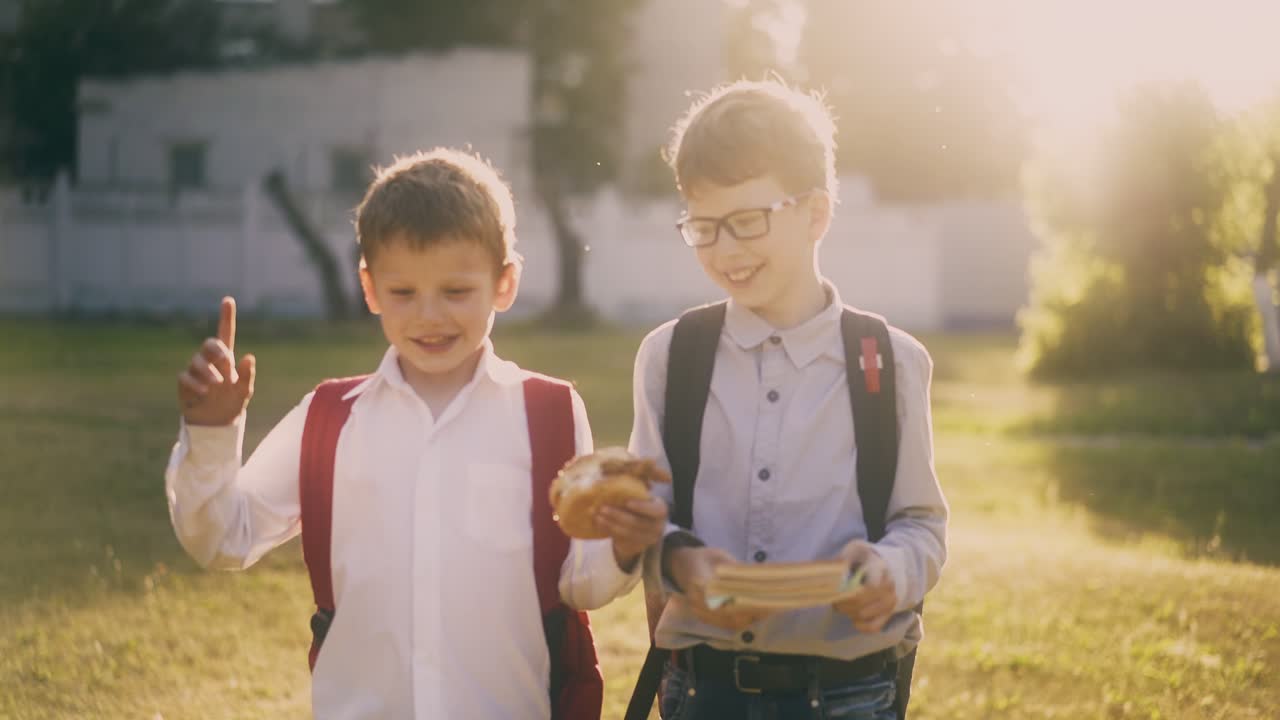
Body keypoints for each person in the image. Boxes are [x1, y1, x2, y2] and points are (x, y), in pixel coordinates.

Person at [165, 148, 668, 719]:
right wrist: (211, 433)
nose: (429, 316)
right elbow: (224, 538)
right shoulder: (329, 418)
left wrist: (622, 546)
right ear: (370, 288)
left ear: (504, 282)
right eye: (403, 293)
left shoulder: (548, 412)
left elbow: (579, 585)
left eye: (456, 292)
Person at [626, 80, 949, 719]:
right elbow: (644, 520)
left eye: (747, 222)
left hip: (849, 694)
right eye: (704, 227)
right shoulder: (670, 357)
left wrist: (888, 572)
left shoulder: (890, 362)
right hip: (705, 691)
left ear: (816, 214)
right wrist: (682, 564)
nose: (726, 251)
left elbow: (922, 526)